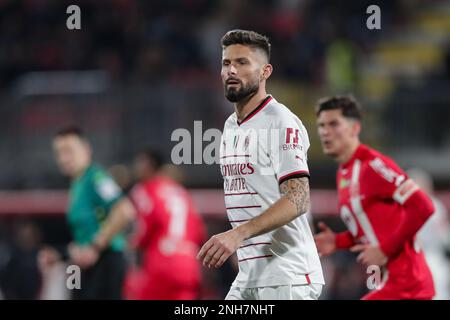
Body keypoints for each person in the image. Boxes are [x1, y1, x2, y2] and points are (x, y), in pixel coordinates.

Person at [197, 29, 324, 300]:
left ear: (265, 71)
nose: (231, 70)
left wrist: (237, 235)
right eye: (226, 63)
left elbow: (298, 199)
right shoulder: (231, 126)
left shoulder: (281, 121)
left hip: (287, 276)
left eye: (242, 63)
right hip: (250, 274)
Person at [313, 96, 436, 300]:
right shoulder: (344, 173)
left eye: (334, 124)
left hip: (408, 284)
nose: (325, 131)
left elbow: (423, 206)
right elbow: (371, 230)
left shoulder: (373, 165)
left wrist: (384, 250)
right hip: (385, 282)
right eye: (321, 125)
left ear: (354, 129)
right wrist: (339, 241)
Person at [40, 126, 136, 300]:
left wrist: (95, 246)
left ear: (86, 149)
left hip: (106, 265)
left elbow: (124, 210)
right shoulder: (79, 184)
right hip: (89, 268)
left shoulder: (97, 178)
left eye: (68, 150)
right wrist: (61, 254)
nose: (63, 158)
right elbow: (85, 238)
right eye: (59, 152)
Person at [123, 149, 206, 300]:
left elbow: (145, 228)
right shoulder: (182, 193)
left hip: (161, 263)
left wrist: (132, 243)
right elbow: (200, 231)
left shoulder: (144, 189)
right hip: (188, 264)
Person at [408, 168, 450, 300]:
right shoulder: (405, 206)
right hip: (416, 260)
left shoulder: (435, 206)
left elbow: (444, 238)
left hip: (432, 259)